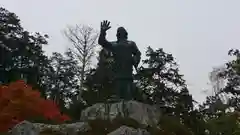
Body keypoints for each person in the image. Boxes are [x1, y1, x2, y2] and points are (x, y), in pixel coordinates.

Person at [98, 20, 141, 100]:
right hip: (117, 71)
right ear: (117, 35)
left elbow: (137, 53)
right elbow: (102, 42)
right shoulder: (114, 44)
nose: (121, 34)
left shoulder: (131, 43)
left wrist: (135, 60)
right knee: (116, 92)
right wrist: (103, 32)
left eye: (123, 33)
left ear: (126, 34)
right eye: (119, 33)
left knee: (128, 95)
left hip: (128, 71)